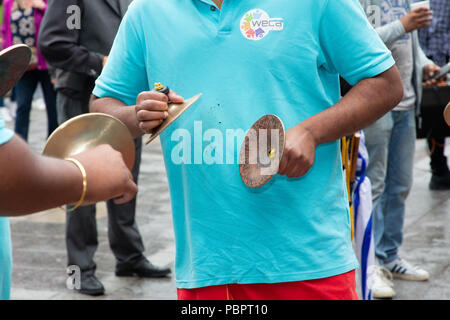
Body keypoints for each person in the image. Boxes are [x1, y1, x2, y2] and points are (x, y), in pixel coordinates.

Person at [91, 0, 404, 300]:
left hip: (308, 265)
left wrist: (311, 132)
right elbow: (103, 108)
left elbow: (385, 84)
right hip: (207, 269)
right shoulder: (147, 11)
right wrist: (136, 114)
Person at [38, 0, 170, 296]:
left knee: (125, 176)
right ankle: (81, 269)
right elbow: (51, 43)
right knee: (82, 183)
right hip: (81, 98)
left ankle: (129, 255)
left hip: (123, 100)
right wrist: (99, 62)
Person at [0, 113, 138, 300]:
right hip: (75, 91)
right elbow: (8, 173)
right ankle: (80, 273)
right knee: (80, 211)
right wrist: (83, 175)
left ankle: (131, 257)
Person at [359, 0, 441, 299]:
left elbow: (411, 44)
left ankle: (389, 255)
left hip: (406, 104)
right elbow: (356, 43)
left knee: (401, 186)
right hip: (373, 102)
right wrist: (402, 25)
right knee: (373, 185)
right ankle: (368, 265)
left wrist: (425, 63)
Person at [1, 0, 57, 141]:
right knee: (23, 106)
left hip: (45, 64)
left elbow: (55, 22)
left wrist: (42, 7)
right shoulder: (9, 3)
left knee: (52, 106)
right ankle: (20, 145)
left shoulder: (45, 2)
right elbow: (5, 30)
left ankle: (54, 144)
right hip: (22, 65)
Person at [418, 0, 450, 190]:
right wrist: (423, 62)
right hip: (428, 61)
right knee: (435, 115)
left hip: (444, 57)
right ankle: (438, 165)